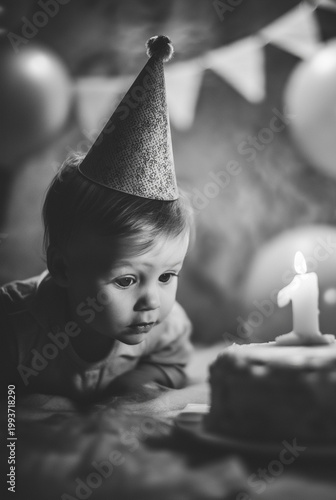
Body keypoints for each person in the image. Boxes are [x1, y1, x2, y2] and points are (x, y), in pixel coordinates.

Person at [1, 35, 194, 404]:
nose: (151, 300)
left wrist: (141, 380)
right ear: (62, 267)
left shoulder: (165, 326)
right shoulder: (14, 325)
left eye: (168, 275)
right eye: (126, 280)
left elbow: (176, 362)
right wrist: (20, 407)